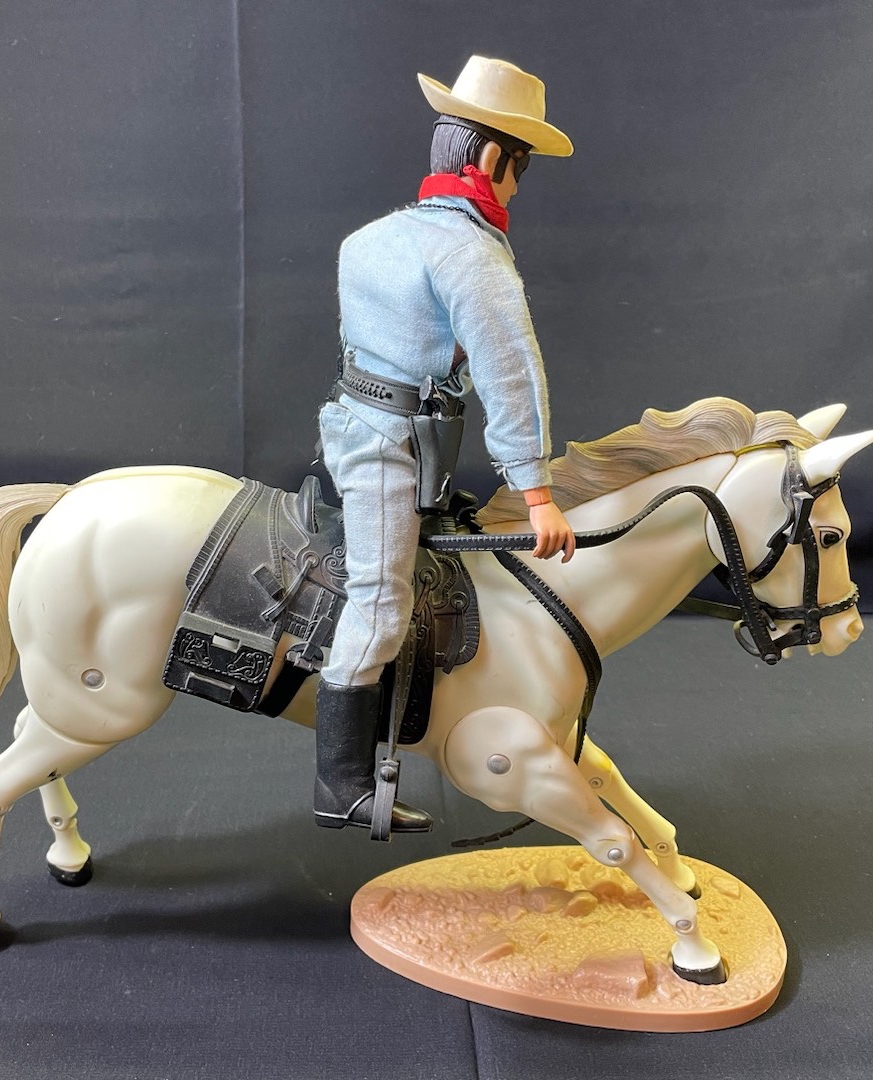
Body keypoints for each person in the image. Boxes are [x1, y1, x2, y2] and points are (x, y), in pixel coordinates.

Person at [315, 55, 576, 835]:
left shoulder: (368, 238)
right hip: (389, 447)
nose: (518, 188)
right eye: (519, 168)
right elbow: (510, 373)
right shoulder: (470, 254)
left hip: (356, 422)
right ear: (492, 160)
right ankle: (339, 783)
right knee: (380, 598)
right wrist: (534, 491)